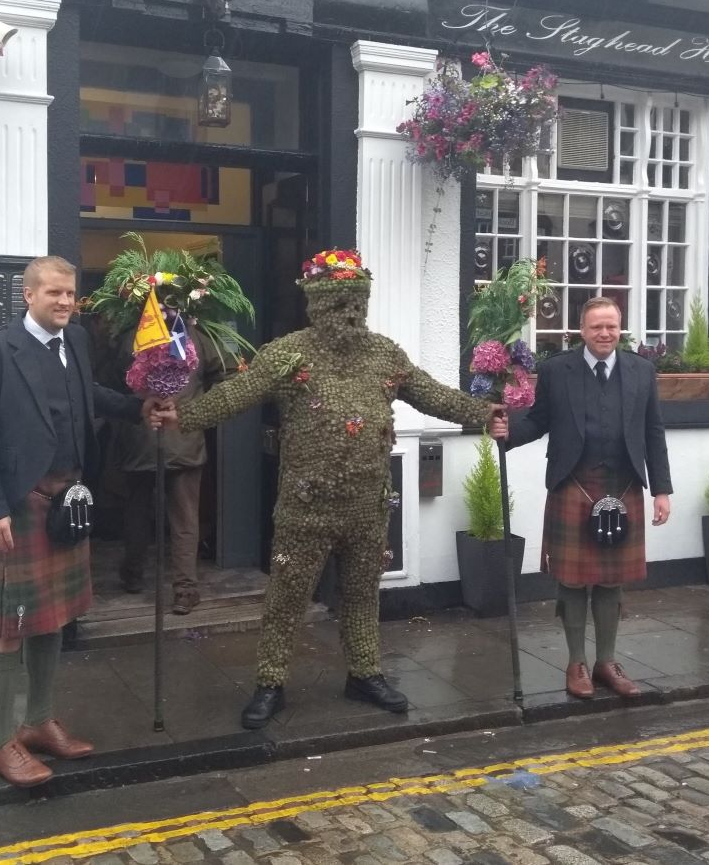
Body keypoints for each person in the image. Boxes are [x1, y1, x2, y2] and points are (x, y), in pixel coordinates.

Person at [153, 250, 500, 729]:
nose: (349, 313)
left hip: (367, 504)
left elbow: (429, 391)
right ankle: (270, 682)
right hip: (304, 505)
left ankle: (365, 672)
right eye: (338, 303)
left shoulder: (384, 354)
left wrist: (483, 413)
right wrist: (183, 415)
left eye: (357, 302)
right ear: (315, 304)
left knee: (361, 595)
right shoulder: (289, 353)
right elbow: (238, 393)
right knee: (287, 596)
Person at [0, 255, 156, 788]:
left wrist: (137, 407)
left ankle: (39, 722)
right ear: (28, 295)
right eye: (55, 293)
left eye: (71, 293)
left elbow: (86, 396)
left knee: (51, 619)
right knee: (7, 628)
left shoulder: (76, 343)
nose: (66, 302)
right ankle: (3, 744)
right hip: (19, 505)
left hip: (67, 498)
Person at [489, 296, 672, 700]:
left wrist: (661, 489)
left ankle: (606, 662)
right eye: (596, 327)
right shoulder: (557, 370)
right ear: (581, 330)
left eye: (611, 326)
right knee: (572, 580)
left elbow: (653, 431)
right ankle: (576, 663)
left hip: (624, 485)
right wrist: (508, 435)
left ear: (620, 328)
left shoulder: (642, 370)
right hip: (574, 481)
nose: (605, 334)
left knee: (611, 581)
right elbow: (539, 421)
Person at [113, 325, 229, 614]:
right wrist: (200, 408)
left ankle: (133, 575)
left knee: (136, 511)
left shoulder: (133, 334)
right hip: (184, 439)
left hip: (140, 436)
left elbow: (112, 377)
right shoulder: (196, 334)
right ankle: (185, 591)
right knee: (185, 518)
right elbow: (229, 371)